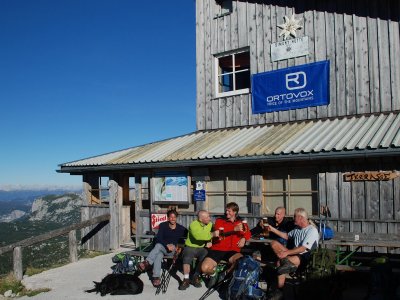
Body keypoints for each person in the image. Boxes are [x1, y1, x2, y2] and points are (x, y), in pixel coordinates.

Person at [268, 207, 319, 297]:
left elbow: (303, 249)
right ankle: (288, 264)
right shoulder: (297, 229)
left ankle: (280, 290)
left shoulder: (312, 230)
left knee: (279, 263)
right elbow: (286, 236)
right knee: (273, 243)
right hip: (293, 254)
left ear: (301, 218)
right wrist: (272, 229)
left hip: (305, 257)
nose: (293, 218)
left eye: (294, 216)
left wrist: (287, 253)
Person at [200, 202, 251, 286]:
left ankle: (224, 274)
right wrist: (234, 229)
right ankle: (214, 274)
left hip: (232, 250)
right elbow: (219, 232)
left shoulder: (241, 222)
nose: (226, 212)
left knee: (241, 262)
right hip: (218, 249)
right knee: (204, 268)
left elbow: (248, 233)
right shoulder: (220, 220)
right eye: (226, 210)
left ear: (235, 212)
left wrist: (244, 238)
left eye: (229, 211)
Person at [137, 209, 187, 288]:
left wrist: (179, 247)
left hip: (172, 251)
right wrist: (167, 245)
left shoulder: (181, 228)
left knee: (158, 248)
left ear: (176, 218)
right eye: (171, 217)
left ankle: (146, 263)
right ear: (168, 218)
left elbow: (190, 235)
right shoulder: (163, 225)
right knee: (158, 252)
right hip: (163, 248)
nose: (172, 219)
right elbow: (159, 238)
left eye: (174, 217)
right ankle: (156, 277)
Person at [178, 210, 216, 290]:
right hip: (190, 246)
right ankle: (186, 279)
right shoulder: (193, 225)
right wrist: (212, 235)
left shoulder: (210, 224)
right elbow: (198, 236)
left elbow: (215, 231)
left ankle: (195, 276)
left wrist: (209, 241)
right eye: (207, 217)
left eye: (209, 216)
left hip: (201, 247)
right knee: (187, 257)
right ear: (200, 219)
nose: (209, 218)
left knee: (205, 256)